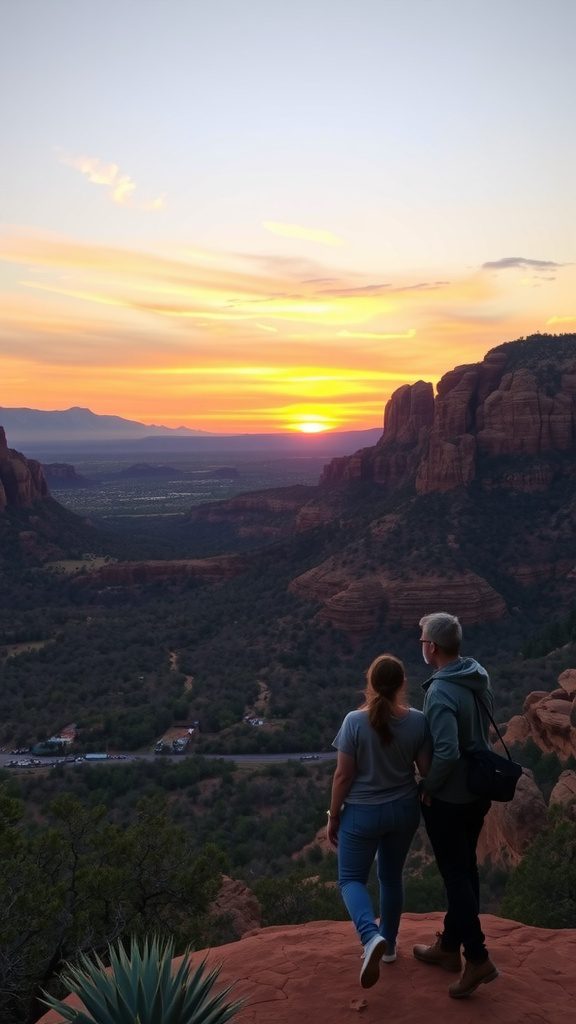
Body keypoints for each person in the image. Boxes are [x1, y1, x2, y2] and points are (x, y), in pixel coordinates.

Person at [328, 654, 431, 989]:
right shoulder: (418, 721)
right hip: (403, 809)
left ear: (370, 684)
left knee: (350, 880)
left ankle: (370, 937)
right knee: (391, 877)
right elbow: (426, 772)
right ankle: (388, 945)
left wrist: (334, 816)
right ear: (402, 684)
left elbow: (343, 775)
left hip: (362, 813)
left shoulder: (353, 722)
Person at [413, 612, 499, 999]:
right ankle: (449, 947)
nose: (420, 645)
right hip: (478, 792)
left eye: (421, 640)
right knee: (466, 868)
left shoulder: (441, 692)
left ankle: (477, 957)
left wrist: (427, 786)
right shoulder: (475, 675)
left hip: (451, 797)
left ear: (432, 647)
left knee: (455, 875)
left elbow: (445, 752)